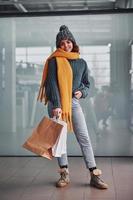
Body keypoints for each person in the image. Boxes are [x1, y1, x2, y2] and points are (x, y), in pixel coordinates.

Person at [37, 25, 108, 189]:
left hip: (73, 103)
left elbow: (87, 85)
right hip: (57, 105)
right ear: (58, 45)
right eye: (62, 43)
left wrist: (81, 92)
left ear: (73, 42)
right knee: (60, 141)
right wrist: (56, 105)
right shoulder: (54, 60)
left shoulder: (81, 62)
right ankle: (64, 173)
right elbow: (51, 84)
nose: (66, 45)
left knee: (84, 137)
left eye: (68, 41)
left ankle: (94, 174)